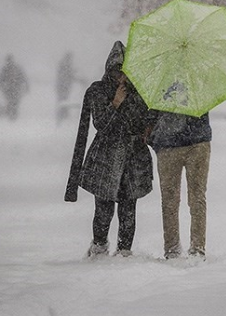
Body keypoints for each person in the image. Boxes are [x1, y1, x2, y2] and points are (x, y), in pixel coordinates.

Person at [64, 41, 154, 257]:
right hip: (106, 158)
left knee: (128, 208)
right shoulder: (98, 90)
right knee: (103, 208)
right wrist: (115, 103)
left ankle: (124, 250)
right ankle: (99, 245)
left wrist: (147, 126)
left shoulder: (140, 92)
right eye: (117, 71)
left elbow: (143, 121)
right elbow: (101, 124)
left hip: (133, 157)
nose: (121, 77)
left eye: (125, 72)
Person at [149, 111, 212, 259]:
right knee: (191, 198)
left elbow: (150, 113)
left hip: (180, 142)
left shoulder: (159, 89)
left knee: (179, 199)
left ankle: (180, 248)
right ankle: (190, 248)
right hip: (189, 140)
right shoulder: (201, 88)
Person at [0, 54, 29, 121]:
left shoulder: (7, 69)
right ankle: (12, 113)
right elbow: (23, 78)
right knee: (12, 101)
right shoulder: (11, 69)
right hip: (12, 88)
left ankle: (12, 113)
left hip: (12, 88)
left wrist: (1, 85)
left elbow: (23, 77)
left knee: (12, 101)